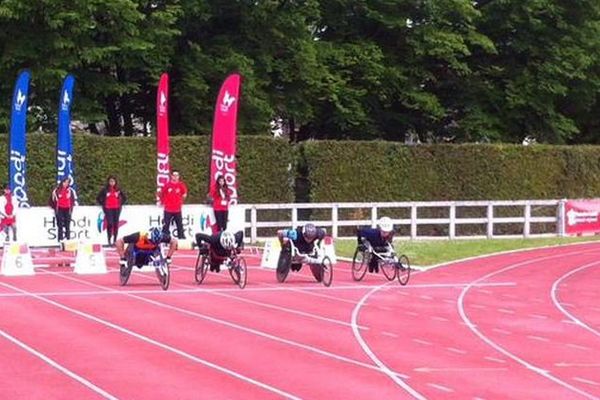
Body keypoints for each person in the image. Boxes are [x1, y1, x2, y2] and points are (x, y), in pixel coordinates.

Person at [96, 175, 127, 246]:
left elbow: (124, 197)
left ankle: (115, 240)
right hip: (108, 208)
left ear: (115, 182)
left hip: (117, 208)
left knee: (116, 224)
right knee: (110, 223)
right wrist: (103, 204)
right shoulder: (105, 190)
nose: (112, 183)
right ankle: (109, 239)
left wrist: (120, 203)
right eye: (110, 181)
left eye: (113, 181)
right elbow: (98, 198)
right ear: (108, 182)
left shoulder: (118, 189)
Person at [159, 170, 188, 239]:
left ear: (178, 177)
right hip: (168, 209)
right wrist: (162, 202)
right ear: (171, 176)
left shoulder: (181, 185)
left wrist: (180, 201)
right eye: (174, 175)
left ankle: (181, 239)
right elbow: (161, 193)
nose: (175, 177)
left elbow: (184, 194)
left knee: (180, 225)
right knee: (166, 225)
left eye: (177, 175)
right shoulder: (167, 185)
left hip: (177, 209)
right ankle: (165, 239)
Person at [50, 178, 78, 242]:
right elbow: (52, 200)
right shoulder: (56, 190)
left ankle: (68, 239)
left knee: (67, 225)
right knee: (60, 225)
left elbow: (73, 200)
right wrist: (54, 207)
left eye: (67, 182)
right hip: (59, 209)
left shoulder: (70, 190)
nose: (66, 184)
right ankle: (60, 240)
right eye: (65, 182)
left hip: (67, 209)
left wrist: (71, 206)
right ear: (62, 182)